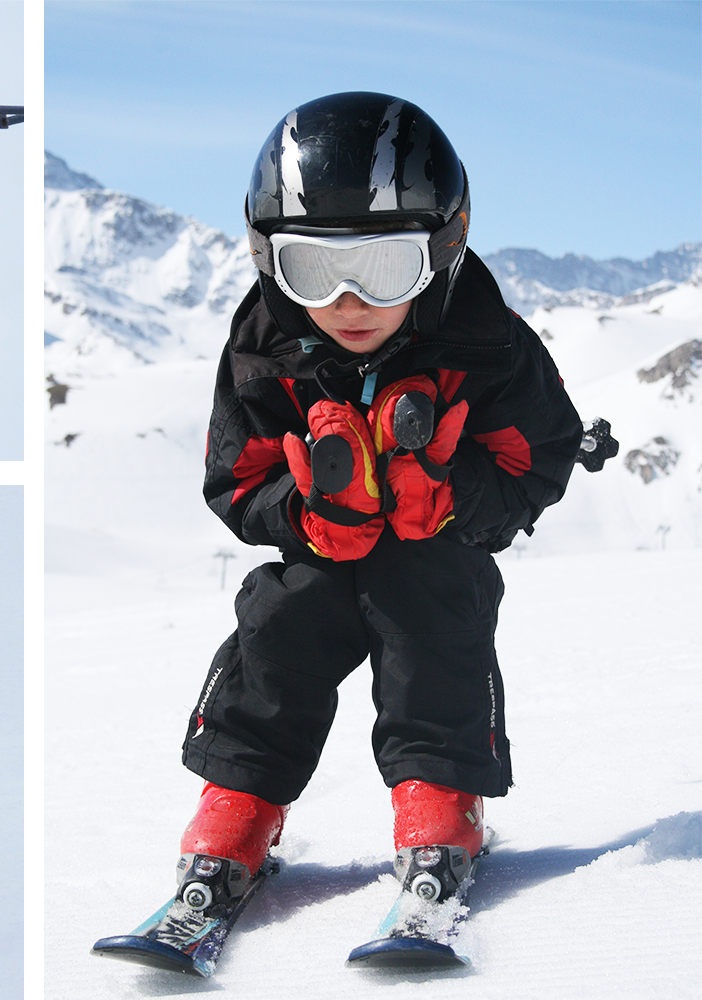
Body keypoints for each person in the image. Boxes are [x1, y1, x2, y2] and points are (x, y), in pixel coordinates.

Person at [161, 92, 584, 925]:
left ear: (442, 251)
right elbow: (234, 480)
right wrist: (305, 515)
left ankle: (440, 802)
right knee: (282, 618)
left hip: (436, 548)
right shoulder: (265, 349)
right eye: (311, 269)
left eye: (385, 266)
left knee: (431, 609)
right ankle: (237, 810)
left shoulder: (486, 342)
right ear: (268, 261)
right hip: (325, 550)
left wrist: (454, 499)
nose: (349, 300)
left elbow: (539, 461)